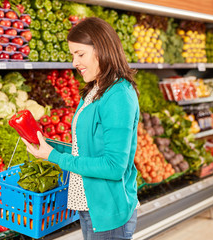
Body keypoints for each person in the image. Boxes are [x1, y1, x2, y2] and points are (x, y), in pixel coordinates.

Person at [21, 17, 140, 240]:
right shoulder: (96, 90)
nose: (74, 62)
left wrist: (55, 157)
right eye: (72, 55)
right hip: (89, 205)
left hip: (108, 210)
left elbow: (114, 167)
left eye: (80, 54)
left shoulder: (119, 95)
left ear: (102, 50)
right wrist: (49, 148)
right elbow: (84, 149)